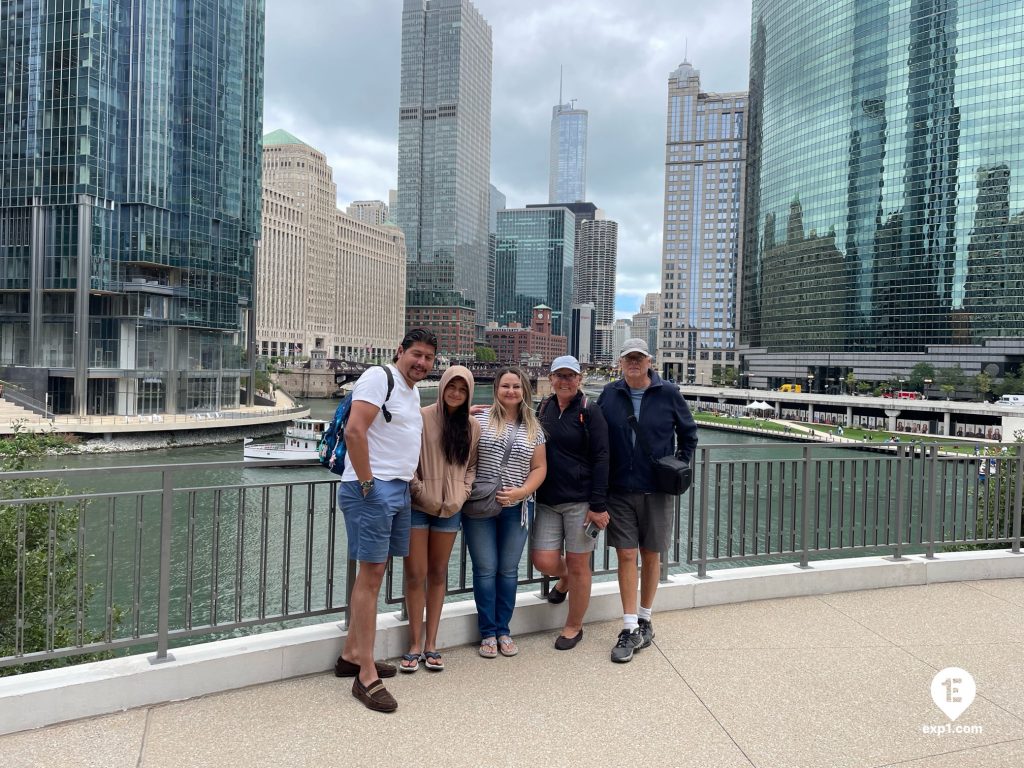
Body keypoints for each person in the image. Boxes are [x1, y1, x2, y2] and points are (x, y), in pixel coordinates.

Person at [335, 328, 437, 713]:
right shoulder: (380, 377)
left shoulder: (410, 392)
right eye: (416, 354)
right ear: (401, 352)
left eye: (428, 358)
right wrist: (367, 485)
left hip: (395, 489)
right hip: (372, 489)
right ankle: (366, 677)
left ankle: (351, 656)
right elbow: (355, 430)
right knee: (372, 574)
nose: (421, 363)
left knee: (376, 572)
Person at [597, 339, 697, 664]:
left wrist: (679, 465)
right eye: (629, 359)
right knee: (626, 554)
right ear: (620, 362)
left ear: (649, 361)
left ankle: (645, 619)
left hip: (657, 489)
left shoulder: (668, 393)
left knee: (650, 555)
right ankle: (628, 627)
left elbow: (689, 433)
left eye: (639, 358)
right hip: (619, 490)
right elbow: (595, 434)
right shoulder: (610, 394)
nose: (634, 363)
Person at [462, 367, 547, 659]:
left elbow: (540, 468)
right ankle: (487, 632)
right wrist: (461, 414)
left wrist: (522, 492)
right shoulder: (480, 419)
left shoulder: (535, 426)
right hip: (481, 505)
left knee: (507, 571)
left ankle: (503, 629)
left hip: (518, 507)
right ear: (496, 389)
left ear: (525, 390)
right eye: (505, 386)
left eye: (517, 386)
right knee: (485, 570)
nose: (511, 391)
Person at [402, 366, 479, 673]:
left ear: (468, 392)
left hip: (451, 509)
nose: (456, 393)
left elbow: (472, 465)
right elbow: (407, 459)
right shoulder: (420, 417)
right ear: (443, 386)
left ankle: (432, 642)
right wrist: (419, 490)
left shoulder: (472, 426)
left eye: (462, 389)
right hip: (419, 506)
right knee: (415, 573)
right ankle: (414, 643)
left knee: (437, 573)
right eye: (452, 386)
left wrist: (463, 493)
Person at [531, 355, 609, 650]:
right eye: (559, 376)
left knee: (580, 564)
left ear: (579, 380)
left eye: (570, 376)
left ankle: (574, 626)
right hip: (548, 499)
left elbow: (603, 458)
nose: (565, 381)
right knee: (543, 560)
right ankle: (565, 581)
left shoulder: (591, 411)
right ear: (550, 379)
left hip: (580, 500)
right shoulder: (544, 408)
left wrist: (599, 505)